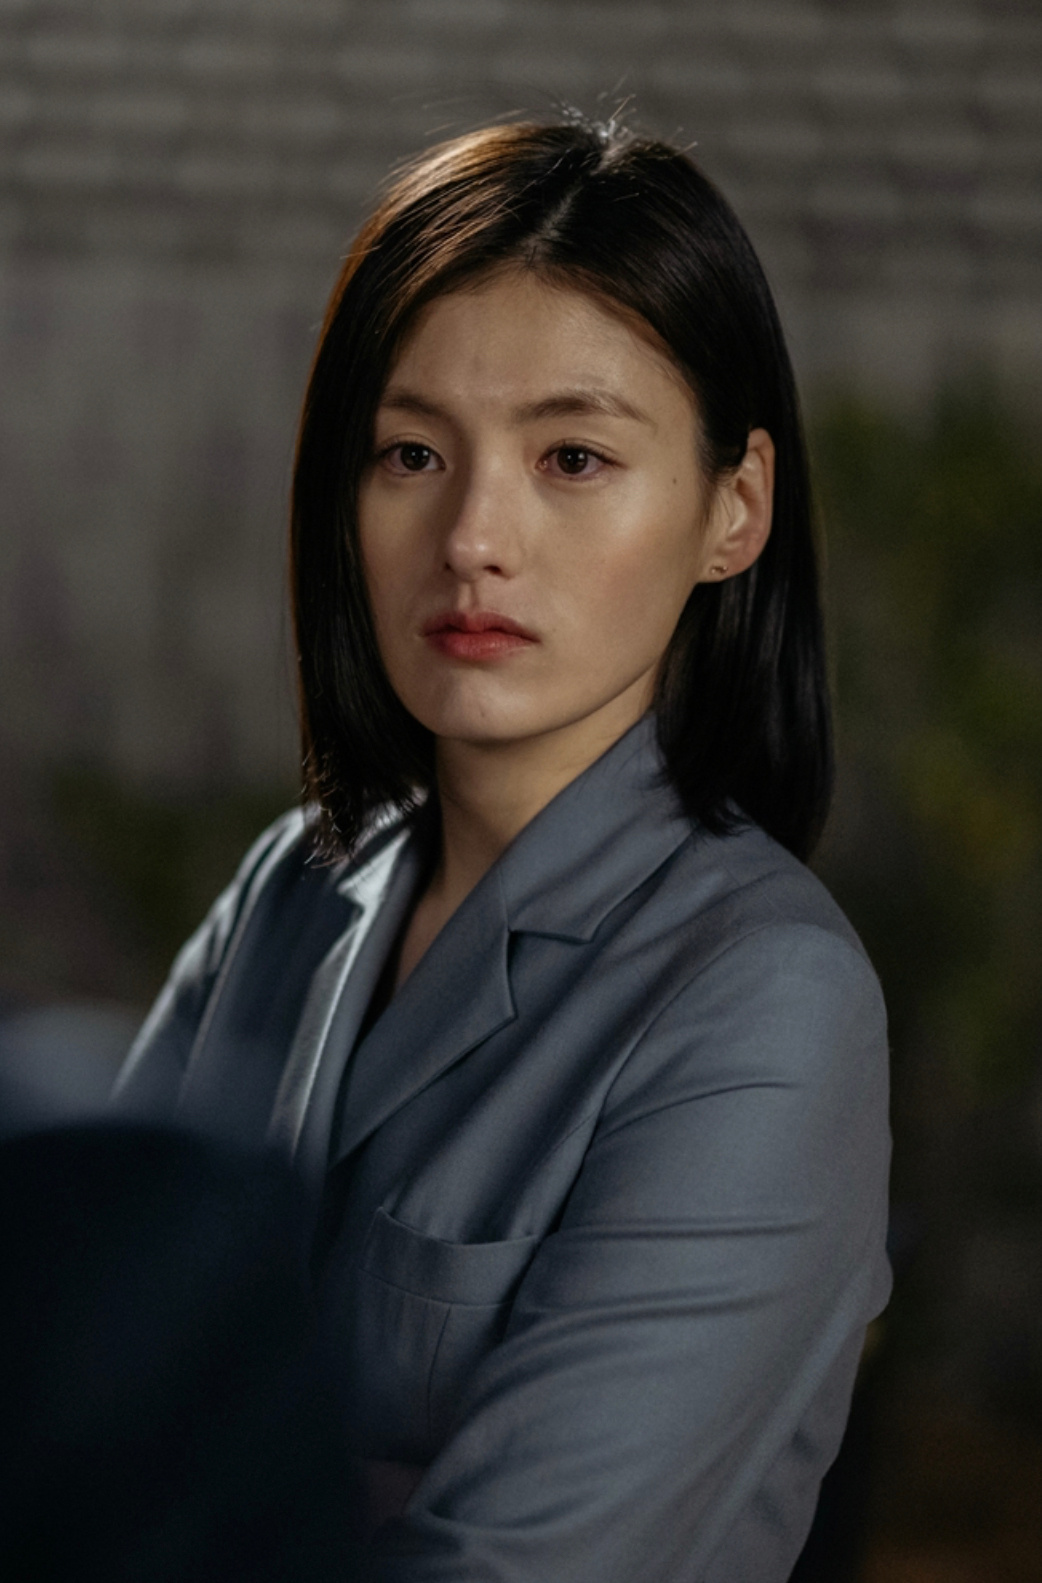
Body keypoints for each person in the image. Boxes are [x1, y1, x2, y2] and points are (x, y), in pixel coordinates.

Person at [112, 116, 891, 1582]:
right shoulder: (293, 887)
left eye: (572, 457)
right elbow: (69, 1391)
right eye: (411, 453)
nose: (473, 536)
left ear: (733, 510)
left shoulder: (763, 1000)